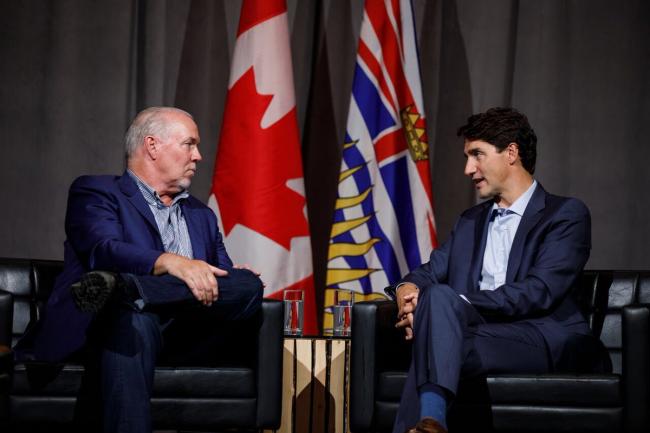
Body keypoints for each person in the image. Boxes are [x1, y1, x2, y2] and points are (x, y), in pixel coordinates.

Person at [14, 106, 264, 433]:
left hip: (184, 332)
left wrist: (228, 278)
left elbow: (216, 280)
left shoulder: (202, 215)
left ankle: (129, 289)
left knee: (248, 285)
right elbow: (103, 250)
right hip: (111, 328)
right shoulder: (98, 191)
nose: (199, 156)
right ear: (152, 146)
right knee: (131, 320)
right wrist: (169, 261)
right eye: (189, 144)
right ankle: (128, 296)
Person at [391, 107, 610, 433]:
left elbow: (540, 291)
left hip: (539, 335)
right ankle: (431, 423)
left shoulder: (565, 214)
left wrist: (456, 306)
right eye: (467, 157)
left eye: (477, 154)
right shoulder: (470, 222)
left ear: (511, 152)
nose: (468, 168)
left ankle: (432, 418)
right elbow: (429, 272)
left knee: (437, 317)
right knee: (436, 311)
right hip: (476, 334)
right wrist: (405, 291)